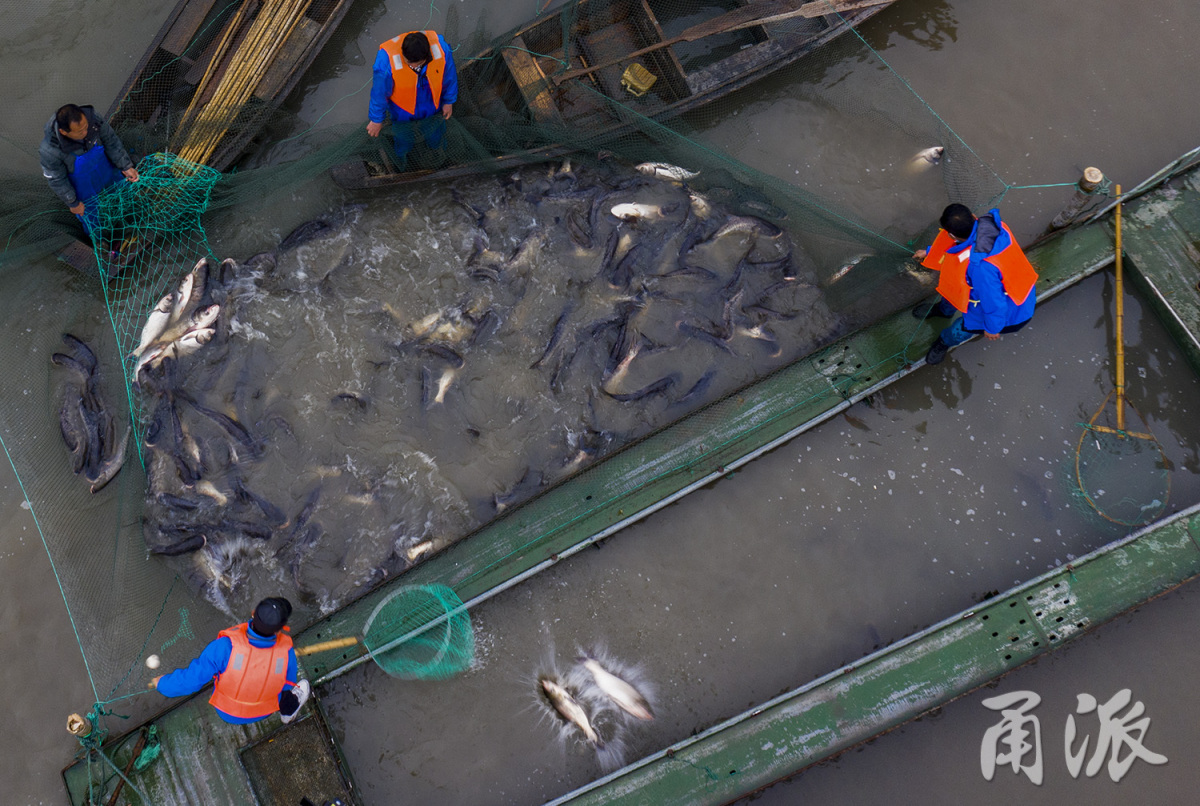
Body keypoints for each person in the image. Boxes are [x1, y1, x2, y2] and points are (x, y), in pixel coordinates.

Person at [150, 597, 311, 725]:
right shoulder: (286, 653)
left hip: (227, 712)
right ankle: (287, 712)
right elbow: (287, 684)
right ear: (281, 628)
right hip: (263, 711)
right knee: (288, 688)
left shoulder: (224, 647)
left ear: (253, 613)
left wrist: (162, 684)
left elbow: (192, 680)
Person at [911, 203, 1038, 365]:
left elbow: (994, 303)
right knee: (954, 288)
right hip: (1007, 285)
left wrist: (992, 329)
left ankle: (944, 341)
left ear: (952, 235)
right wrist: (929, 252)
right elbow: (956, 249)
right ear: (972, 216)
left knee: (966, 326)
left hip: (1011, 306)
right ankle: (944, 310)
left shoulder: (981, 267)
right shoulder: (995, 226)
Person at [39, 104, 139, 239]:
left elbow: (111, 141)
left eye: (86, 127)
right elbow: (57, 179)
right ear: (64, 132)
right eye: (79, 132)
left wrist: (126, 166)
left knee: (124, 192)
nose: (85, 133)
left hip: (107, 170)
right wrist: (72, 202)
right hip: (84, 186)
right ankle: (100, 242)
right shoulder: (49, 151)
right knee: (90, 215)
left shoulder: (93, 119)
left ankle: (132, 220)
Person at [366, 30, 458, 169]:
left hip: (432, 107)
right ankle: (402, 161)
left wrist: (448, 101)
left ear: (426, 56)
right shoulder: (386, 60)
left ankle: (437, 153)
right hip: (402, 111)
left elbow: (449, 76)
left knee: (435, 136)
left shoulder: (441, 49)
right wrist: (376, 119)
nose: (412, 66)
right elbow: (379, 93)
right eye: (409, 62)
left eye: (417, 64)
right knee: (403, 141)